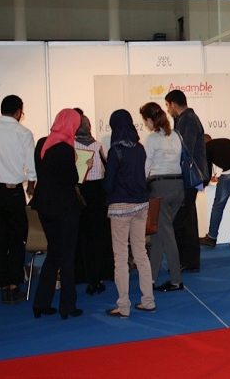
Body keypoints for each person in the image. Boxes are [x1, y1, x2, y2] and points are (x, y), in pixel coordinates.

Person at [0, 94, 36, 303]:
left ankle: (3, 285)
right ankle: (14, 285)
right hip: (12, 192)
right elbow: (31, 164)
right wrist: (31, 185)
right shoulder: (23, 133)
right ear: (19, 112)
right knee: (16, 240)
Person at [31, 109, 84, 320]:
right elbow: (72, 178)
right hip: (65, 208)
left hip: (44, 206)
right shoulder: (66, 148)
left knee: (53, 253)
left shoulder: (42, 144)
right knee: (67, 256)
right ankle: (67, 306)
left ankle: (41, 303)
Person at [104, 109, 156, 317]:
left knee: (121, 257)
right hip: (141, 205)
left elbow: (108, 185)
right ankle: (148, 301)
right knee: (141, 254)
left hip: (120, 207)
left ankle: (123, 305)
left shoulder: (115, 151)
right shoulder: (140, 148)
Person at [141, 102, 186, 292]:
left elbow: (146, 165)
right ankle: (151, 277)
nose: (145, 124)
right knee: (158, 233)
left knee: (166, 234)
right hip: (178, 186)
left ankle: (176, 280)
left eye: (145, 120)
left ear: (150, 119)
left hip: (160, 188)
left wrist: (140, 186)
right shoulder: (175, 135)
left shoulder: (152, 139)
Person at [165, 89, 208, 273]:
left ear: (174, 104)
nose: (167, 110)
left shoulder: (188, 120)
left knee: (182, 221)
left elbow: (184, 149)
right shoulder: (184, 119)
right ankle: (189, 261)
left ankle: (186, 260)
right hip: (189, 176)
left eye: (168, 106)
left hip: (189, 176)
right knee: (187, 219)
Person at [73, 108, 112, 296]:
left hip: (79, 193)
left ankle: (83, 273)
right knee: (99, 235)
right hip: (98, 194)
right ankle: (100, 273)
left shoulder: (71, 145)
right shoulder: (98, 145)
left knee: (81, 235)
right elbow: (106, 168)